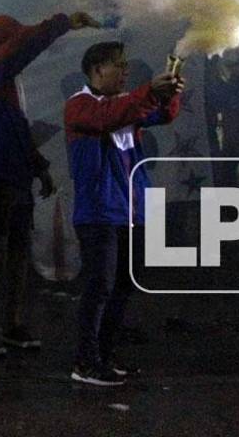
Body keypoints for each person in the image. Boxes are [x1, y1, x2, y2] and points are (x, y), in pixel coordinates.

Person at [0, 10, 98, 354]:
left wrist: (38, 167)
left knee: (17, 253)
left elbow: (18, 130)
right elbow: (26, 44)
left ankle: (11, 325)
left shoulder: (8, 81)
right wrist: (61, 24)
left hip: (14, 175)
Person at [64, 42, 182, 385]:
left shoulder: (125, 105)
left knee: (123, 286)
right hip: (99, 212)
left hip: (130, 211)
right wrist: (149, 92)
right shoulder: (79, 106)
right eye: (119, 65)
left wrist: (170, 92)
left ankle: (104, 355)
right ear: (98, 69)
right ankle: (84, 362)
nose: (125, 71)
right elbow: (108, 118)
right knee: (99, 286)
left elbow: (164, 114)